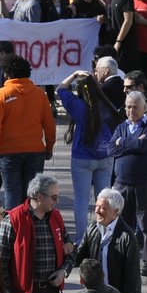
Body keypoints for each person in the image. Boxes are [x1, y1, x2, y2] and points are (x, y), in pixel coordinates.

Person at [57, 69, 119, 242]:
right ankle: (104, 236)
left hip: (82, 157)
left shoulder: (78, 106)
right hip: (105, 156)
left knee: (81, 202)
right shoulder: (106, 104)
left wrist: (74, 74)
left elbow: (61, 89)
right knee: (105, 199)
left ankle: (82, 239)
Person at [0, 57, 55, 211]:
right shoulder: (39, 94)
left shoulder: (1, 94)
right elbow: (50, 126)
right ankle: (31, 228)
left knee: (11, 193)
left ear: (6, 74)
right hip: (35, 151)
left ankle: (14, 230)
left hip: (8, 152)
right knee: (33, 194)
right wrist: (49, 147)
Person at [78, 189, 143, 293]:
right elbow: (79, 255)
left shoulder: (127, 238)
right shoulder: (93, 228)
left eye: (103, 208)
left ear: (116, 212)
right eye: (97, 206)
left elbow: (132, 280)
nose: (97, 211)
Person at [108, 90, 147, 276]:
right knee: (123, 225)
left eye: (135, 107)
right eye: (128, 107)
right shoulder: (121, 127)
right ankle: (125, 260)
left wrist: (124, 143)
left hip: (144, 184)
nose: (131, 110)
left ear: (144, 107)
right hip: (122, 185)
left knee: (146, 225)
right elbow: (111, 148)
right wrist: (129, 143)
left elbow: (143, 145)